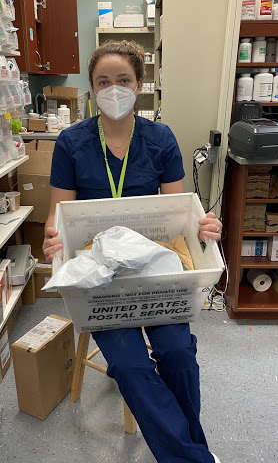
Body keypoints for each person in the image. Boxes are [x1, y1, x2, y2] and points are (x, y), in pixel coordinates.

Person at [43, 40, 222, 463]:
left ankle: (189, 451)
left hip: (156, 269)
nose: (114, 90)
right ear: (91, 89)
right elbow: (58, 214)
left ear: (139, 85)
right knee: (131, 366)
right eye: (103, 82)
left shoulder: (160, 139)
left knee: (178, 354)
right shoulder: (72, 143)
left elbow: (180, 211)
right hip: (100, 277)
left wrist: (202, 226)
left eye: (123, 80)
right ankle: (194, 458)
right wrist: (53, 236)